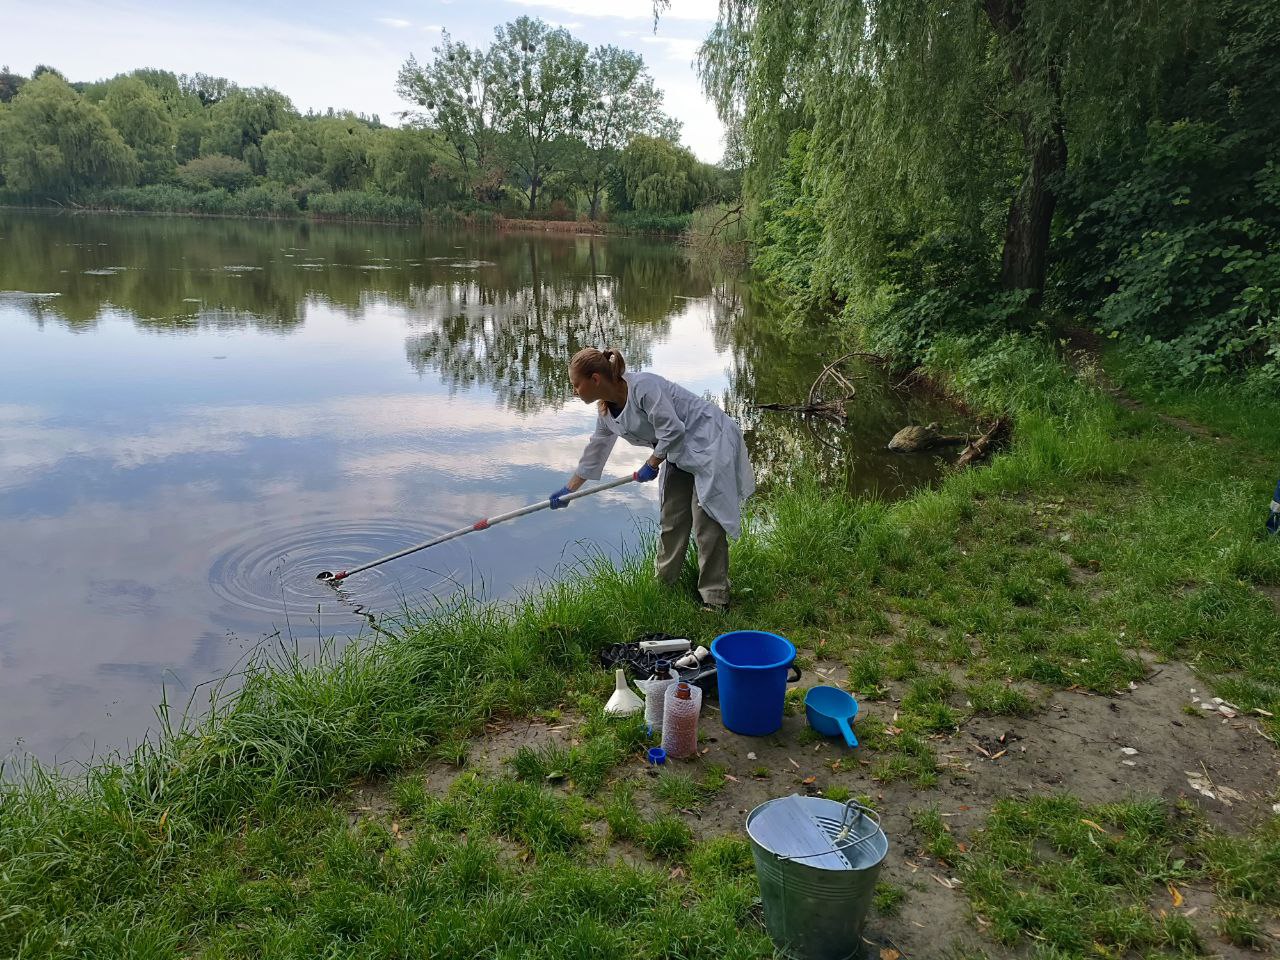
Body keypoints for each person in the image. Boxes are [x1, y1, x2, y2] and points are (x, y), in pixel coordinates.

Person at [550, 347, 755, 611]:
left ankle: (715, 598)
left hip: (709, 441)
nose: (575, 391)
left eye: (576, 384)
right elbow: (596, 450)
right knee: (672, 519)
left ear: (595, 379)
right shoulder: (606, 413)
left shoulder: (643, 387)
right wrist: (569, 490)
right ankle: (664, 587)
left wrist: (651, 463)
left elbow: (673, 429)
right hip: (676, 451)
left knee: (707, 522)